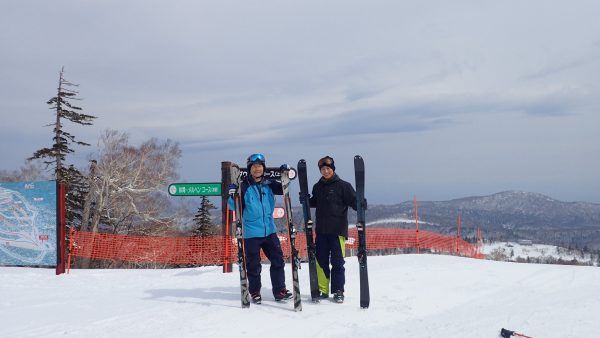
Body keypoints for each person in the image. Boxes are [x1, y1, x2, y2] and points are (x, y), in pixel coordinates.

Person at [228, 153, 292, 304]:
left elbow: (285, 189)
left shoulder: (268, 184)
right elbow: (234, 207)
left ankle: (279, 290)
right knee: (253, 265)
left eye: (260, 166)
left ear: (263, 168)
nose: (257, 169)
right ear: (250, 169)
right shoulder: (243, 186)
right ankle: (255, 291)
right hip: (251, 233)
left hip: (269, 231)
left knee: (278, 261)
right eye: (254, 166)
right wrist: (232, 195)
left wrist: (285, 176)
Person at [305, 155, 361, 303]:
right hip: (321, 232)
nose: (325, 171)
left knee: (337, 262)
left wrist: (361, 203)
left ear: (333, 169)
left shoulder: (344, 186)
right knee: (321, 261)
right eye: (322, 169)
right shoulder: (318, 187)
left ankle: (338, 290)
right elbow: (315, 202)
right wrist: (306, 200)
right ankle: (323, 290)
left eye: (328, 168)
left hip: (337, 232)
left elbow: (354, 202)